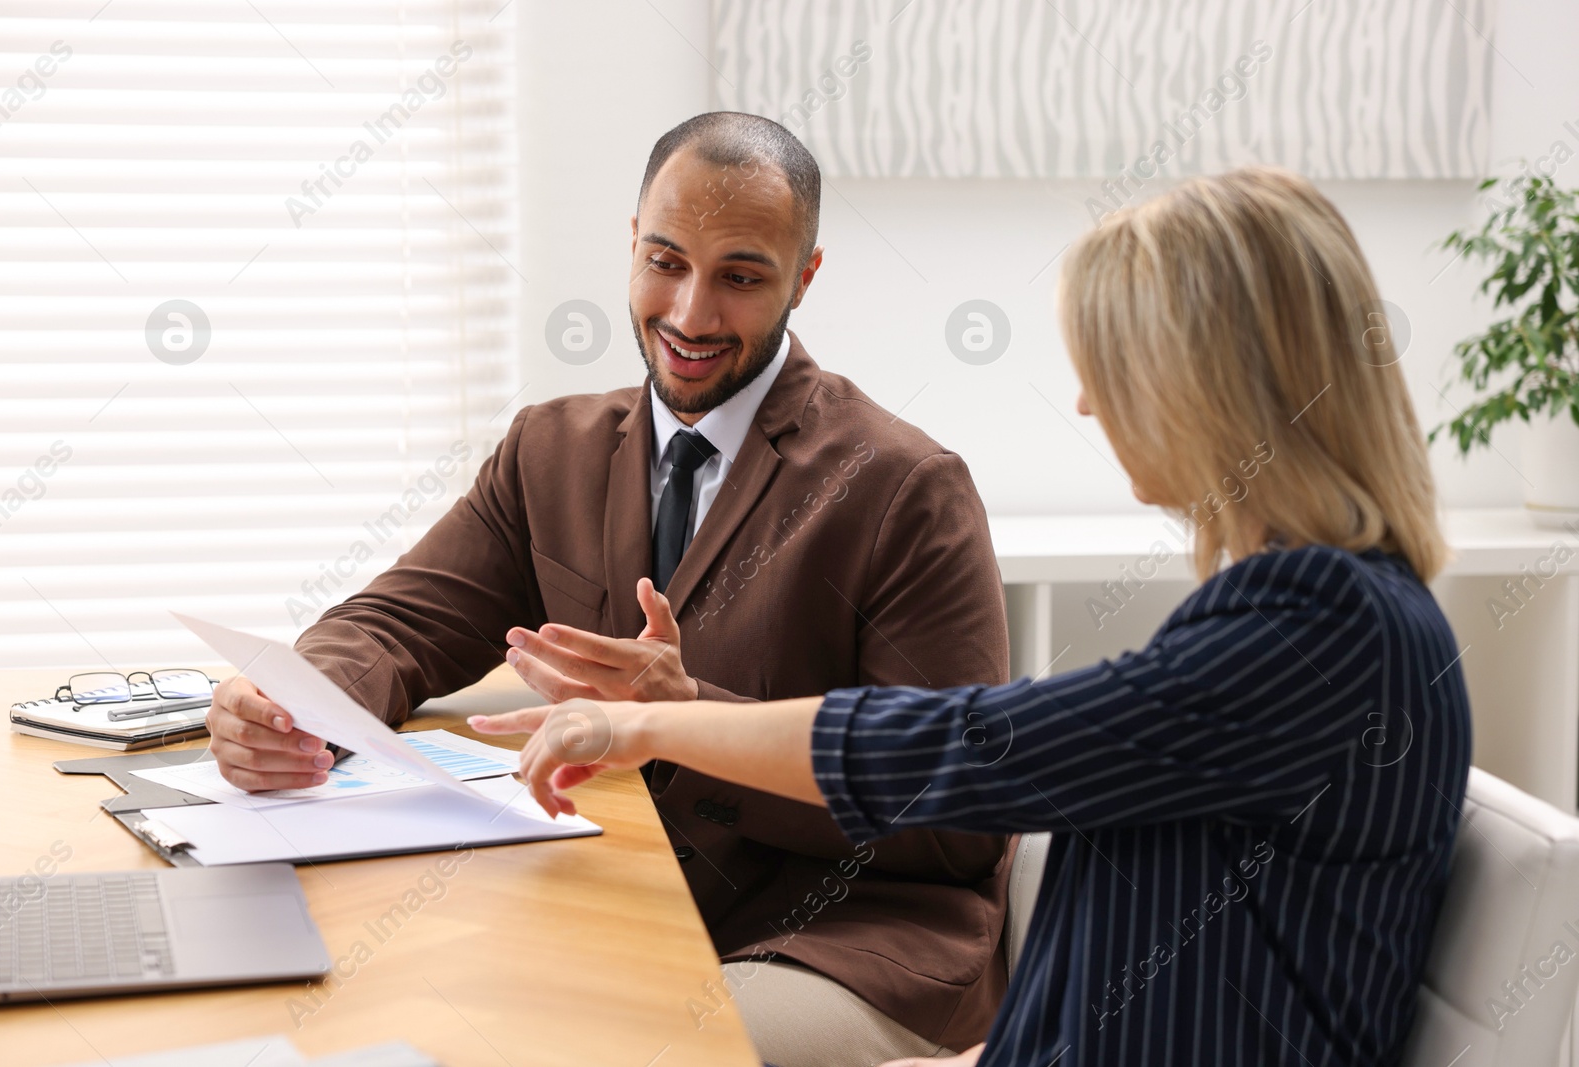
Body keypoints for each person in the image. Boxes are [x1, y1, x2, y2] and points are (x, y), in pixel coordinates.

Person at [481, 166, 1473, 1067]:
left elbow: (978, 745)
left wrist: (651, 719)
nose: (1086, 404)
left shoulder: (1319, 626)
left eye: (1112, 368)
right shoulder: (1324, 614)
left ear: (1210, 385)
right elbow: (1143, 958)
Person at [204, 112, 1015, 1064]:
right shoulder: (551, 449)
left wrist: (686, 718)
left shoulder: (903, 488)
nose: (692, 313)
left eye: (742, 276)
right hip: (608, 894)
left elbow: (959, 811)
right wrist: (298, 704)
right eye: (666, 261)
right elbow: (400, 621)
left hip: (827, 938)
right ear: (632, 244)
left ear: (805, 277)